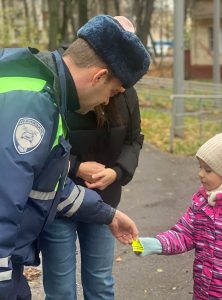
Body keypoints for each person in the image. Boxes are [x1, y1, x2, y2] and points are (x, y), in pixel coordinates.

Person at [0, 14, 150, 300]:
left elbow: (52, 184)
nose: (107, 102)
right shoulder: (33, 104)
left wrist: (109, 215)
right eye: (111, 92)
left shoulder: (44, 89)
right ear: (99, 76)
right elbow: (3, 205)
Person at [132, 129, 222, 299]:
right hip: (203, 292)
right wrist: (153, 244)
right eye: (200, 167)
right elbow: (184, 234)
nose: (200, 174)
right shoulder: (202, 201)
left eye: (208, 170)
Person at [40, 87, 143, 299]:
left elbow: (133, 140)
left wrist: (117, 172)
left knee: (101, 282)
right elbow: (41, 147)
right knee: (61, 288)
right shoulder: (59, 88)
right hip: (59, 202)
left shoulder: (125, 92)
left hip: (103, 203)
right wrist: (75, 167)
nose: (121, 88)